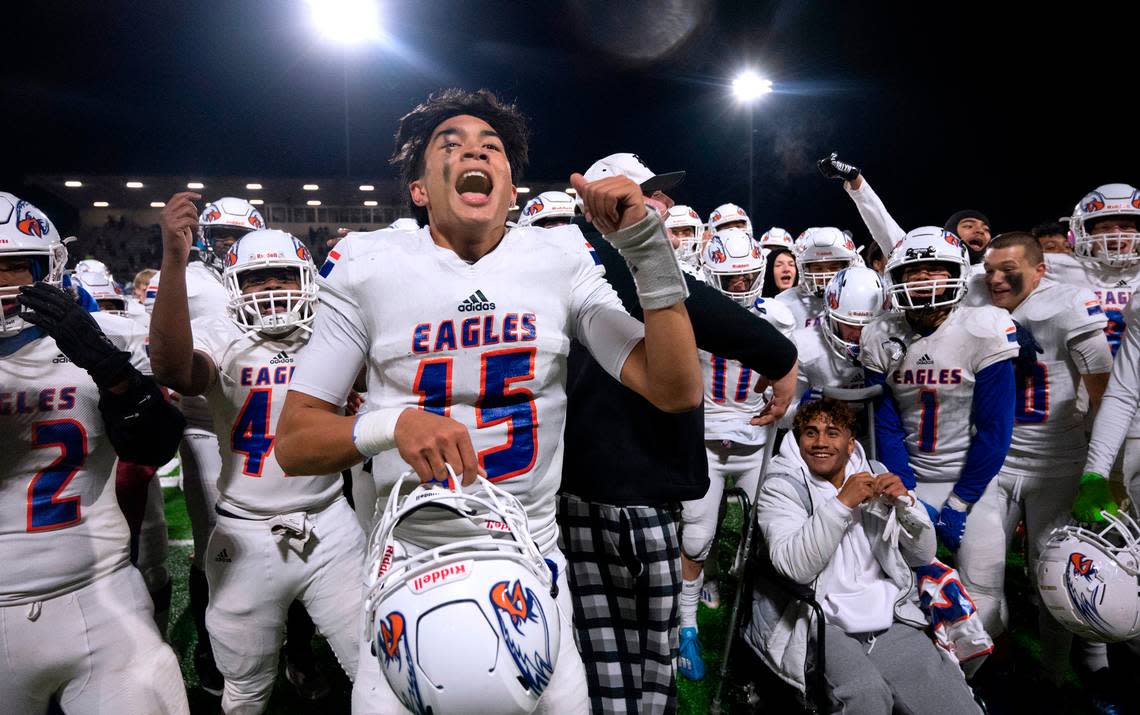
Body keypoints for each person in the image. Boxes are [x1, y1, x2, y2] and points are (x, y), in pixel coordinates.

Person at [274, 89, 703, 713]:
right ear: (420, 189)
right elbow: (293, 442)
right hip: (409, 562)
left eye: (492, 147)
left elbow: (674, 388)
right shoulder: (370, 267)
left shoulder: (557, 260)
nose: (475, 149)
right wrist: (391, 424)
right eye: (449, 145)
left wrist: (647, 251)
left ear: (510, 188)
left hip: (530, 561)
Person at [556, 152, 798, 713]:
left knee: (643, 655)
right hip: (613, 496)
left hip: (633, 491)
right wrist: (779, 355)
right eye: (643, 196)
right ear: (601, 207)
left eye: (658, 196)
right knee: (614, 665)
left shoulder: (614, 263)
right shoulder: (594, 261)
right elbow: (694, 303)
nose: (661, 207)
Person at [150, 215, 366, 712]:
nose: (271, 287)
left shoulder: (333, 331)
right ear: (233, 286)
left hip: (329, 522)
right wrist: (174, 265)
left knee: (374, 662)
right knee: (245, 689)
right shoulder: (218, 332)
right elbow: (174, 370)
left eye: (284, 275)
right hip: (245, 530)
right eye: (255, 278)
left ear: (307, 278)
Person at [0, 192, 189, 714]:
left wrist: (107, 368)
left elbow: (156, 444)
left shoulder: (105, 336)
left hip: (101, 590)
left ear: (47, 269)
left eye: (16, 266)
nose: (2, 283)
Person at [744, 399, 981, 714]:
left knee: (952, 703)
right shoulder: (782, 483)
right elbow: (794, 567)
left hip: (885, 611)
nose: (820, 443)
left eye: (832, 433)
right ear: (799, 440)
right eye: (810, 433)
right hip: (817, 618)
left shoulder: (874, 472)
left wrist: (906, 506)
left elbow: (924, 554)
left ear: (850, 442)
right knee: (866, 696)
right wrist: (842, 504)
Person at [955, 232, 1112, 684]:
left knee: (1053, 581)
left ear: (1041, 269)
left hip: (1056, 463)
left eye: (1009, 269)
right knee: (980, 576)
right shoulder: (976, 298)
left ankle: (1056, 676)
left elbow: (1104, 394)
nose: (997, 279)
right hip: (993, 461)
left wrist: (1100, 468)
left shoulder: (1067, 304)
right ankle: (979, 670)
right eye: (990, 270)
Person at [676, 228, 796, 681]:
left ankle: (751, 617)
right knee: (696, 536)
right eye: (733, 280)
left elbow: (791, 384)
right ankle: (686, 625)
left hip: (756, 443)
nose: (742, 287)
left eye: (749, 277)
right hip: (705, 441)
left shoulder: (780, 317)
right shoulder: (698, 315)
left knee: (757, 538)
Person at [860, 226, 1018, 552]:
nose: (922, 278)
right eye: (912, 270)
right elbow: (883, 424)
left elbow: (995, 428)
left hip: (972, 477)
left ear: (958, 274)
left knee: (984, 584)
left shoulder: (983, 327)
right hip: (910, 475)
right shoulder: (880, 332)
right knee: (903, 579)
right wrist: (904, 486)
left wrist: (961, 501)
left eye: (933, 269)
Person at [818, 152, 993, 266]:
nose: (979, 231)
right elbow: (882, 223)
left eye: (986, 229)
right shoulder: (923, 258)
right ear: (949, 234)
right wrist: (855, 178)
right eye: (969, 225)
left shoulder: (994, 273)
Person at [776, 226, 858, 328]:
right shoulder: (784, 303)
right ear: (805, 269)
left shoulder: (861, 298)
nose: (826, 275)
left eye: (834, 267)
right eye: (818, 268)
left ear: (847, 266)